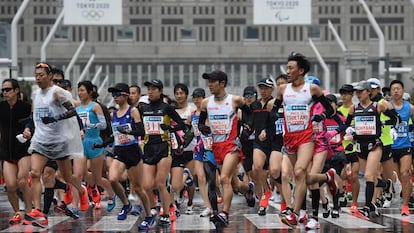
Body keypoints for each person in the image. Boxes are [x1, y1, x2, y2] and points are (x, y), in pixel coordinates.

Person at [271, 52, 335, 227]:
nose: (287, 71)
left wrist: (320, 116)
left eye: (291, 68)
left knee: (299, 172)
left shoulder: (311, 89)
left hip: (307, 137)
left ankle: (294, 213)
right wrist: (276, 114)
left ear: (301, 70)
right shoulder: (283, 90)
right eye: (287, 68)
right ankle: (328, 178)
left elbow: (330, 110)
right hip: (289, 137)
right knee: (301, 177)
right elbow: (274, 110)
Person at [24, 62, 85, 228]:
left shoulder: (58, 93)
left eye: (41, 75)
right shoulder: (36, 94)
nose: (38, 78)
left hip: (59, 141)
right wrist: (29, 129)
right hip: (41, 141)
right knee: (36, 174)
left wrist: (55, 118)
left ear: (49, 76)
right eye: (36, 75)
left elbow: (73, 111)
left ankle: (81, 190)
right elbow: (34, 116)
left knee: (67, 177)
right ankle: (39, 212)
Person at [198, 70, 252, 226]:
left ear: (222, 83)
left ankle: (225, 213)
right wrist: (203, 128)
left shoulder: (235, 100)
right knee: (234, 184)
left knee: (223, 179)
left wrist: (248, 128)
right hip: (216, 146)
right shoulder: (206, 103)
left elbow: (250, 115)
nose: (209, 85)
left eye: (212, 82)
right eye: (208, 82)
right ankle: (248, 189)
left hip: (232, 145)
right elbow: (201, 123)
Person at [344, 80, 400, 218]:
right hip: (360, 146)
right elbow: (346, 125)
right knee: (372, 178)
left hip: (375, 145)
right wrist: (350, 130)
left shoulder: (378, 106)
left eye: (361, 91)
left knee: (368, 176)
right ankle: (386, 185)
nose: (358, 94)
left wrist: (392, 128)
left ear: (368, 92)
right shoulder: (353, 108)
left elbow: (396, 118)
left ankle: (368, 205)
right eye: (356, 92)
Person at [140, 79, 186, 226]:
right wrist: (129, 131)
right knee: (147, 185)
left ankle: (166, 212)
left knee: (160, 183)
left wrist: (169, 128)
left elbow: (182, 125)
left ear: (160, 91)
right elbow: (140, 129)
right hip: (148, 149)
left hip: (163, 148)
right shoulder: (143, 109)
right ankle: (153, 209)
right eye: (148, 89)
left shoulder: (166, 108)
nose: (150, 91)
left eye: (153, 89)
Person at [0, 78, 32, 225]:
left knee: (22, 180)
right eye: (3, 90)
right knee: (11, 185)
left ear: (16, 90)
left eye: (7, 89)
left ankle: (30, 212)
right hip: (6, 152)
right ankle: (18, 212)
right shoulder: (1, 107)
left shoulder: (25, 107)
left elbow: (30, 122)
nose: (4, 92)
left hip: (23, 150)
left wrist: (27, 129)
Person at [389, 79, 413, 216]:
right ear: (391, 92)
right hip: (391, 146)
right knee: (395, 177)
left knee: (405, 174)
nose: (396, 91)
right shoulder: (386, 106)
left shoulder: (409, 108)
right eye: (394, 89)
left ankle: (405, 205)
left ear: (403, 91)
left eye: (398, 88)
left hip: (405, 145)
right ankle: (394, 193)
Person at [189, 87, 214, 217]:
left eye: (199, 97)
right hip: (198, 147)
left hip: (211, 145)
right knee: (200, 176)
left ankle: (216, 202)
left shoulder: (208, 112)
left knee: (215, 177)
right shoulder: (192, 114)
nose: (197, 100)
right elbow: (189, 132)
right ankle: (208, 206)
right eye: (195, 98)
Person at [337, 84, 361, 214]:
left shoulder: (357, 109)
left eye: (346, 93)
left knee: (355, 175)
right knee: (343, 175)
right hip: (342, 148)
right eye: (342, 93)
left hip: (355, 147)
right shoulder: (338, 111)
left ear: (352, 94)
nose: (344, 96)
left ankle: (355, 203)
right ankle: (344, 191)